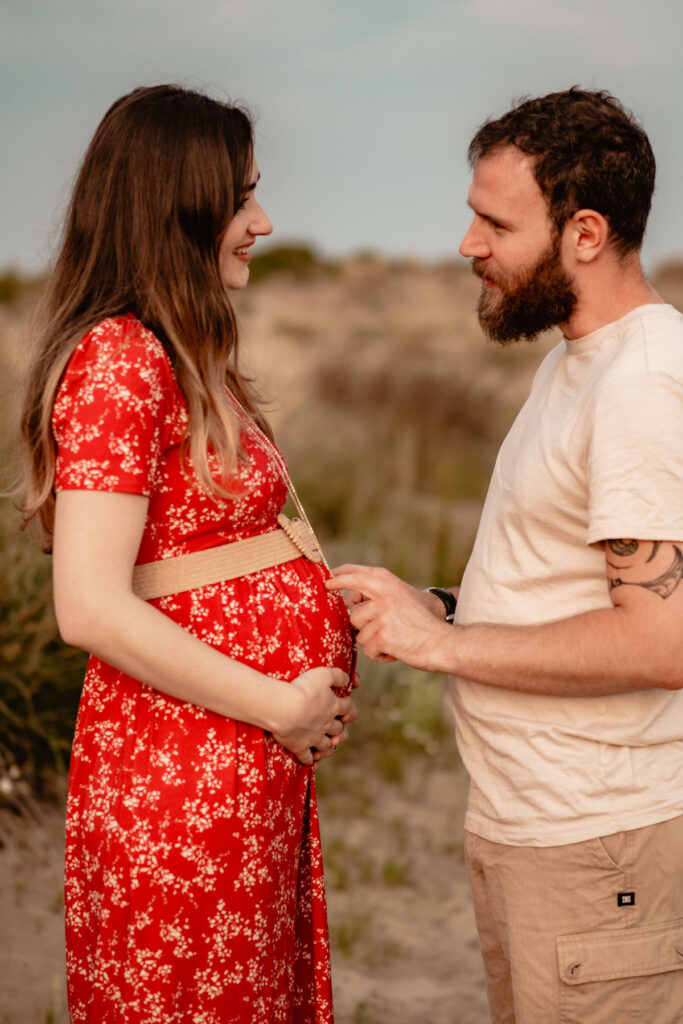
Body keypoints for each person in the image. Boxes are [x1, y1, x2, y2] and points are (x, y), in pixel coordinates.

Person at [328, 88, 683, 1023]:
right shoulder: (577, 362)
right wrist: (439, 605)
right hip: (535, 833)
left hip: (600, 843)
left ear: (585, 233)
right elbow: (568, 583)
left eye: (494, 221)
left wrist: (440, 649)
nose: (467, 244)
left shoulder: (642, 382)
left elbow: (662, 643)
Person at [19, 84, 356, 1024]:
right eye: (241, 197)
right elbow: (86, 605)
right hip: (181, 776)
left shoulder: (178, 350)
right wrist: (280, 702)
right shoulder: (120, 361)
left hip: (233, 771)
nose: (263, 220)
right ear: (178, 207)